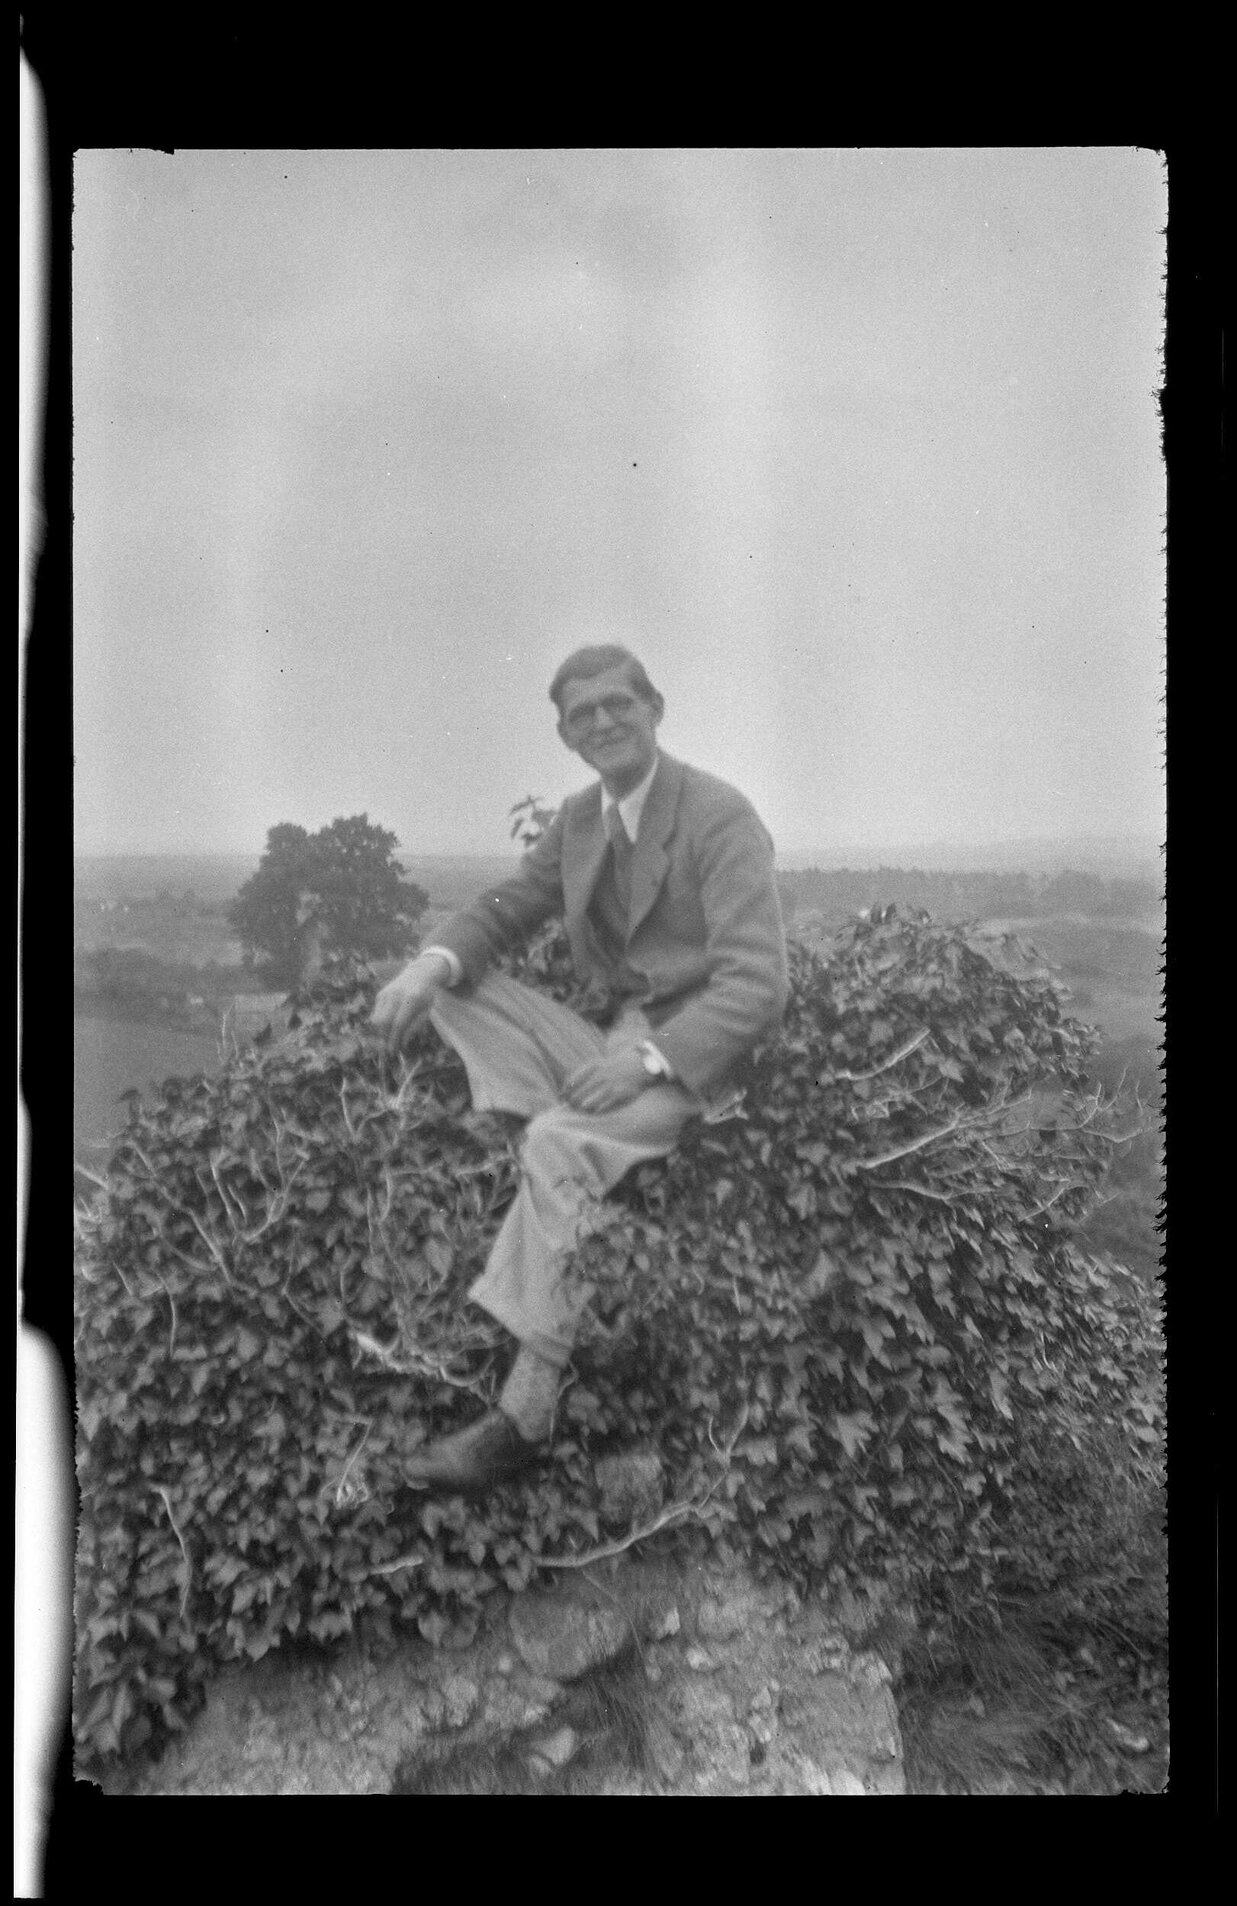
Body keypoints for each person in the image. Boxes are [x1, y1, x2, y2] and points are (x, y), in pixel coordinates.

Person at [370, 643, 789, 1491]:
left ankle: (524, 1410)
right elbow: (508, 907)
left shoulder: (717, 814)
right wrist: (428, 964)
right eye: (581, 714)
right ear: (565, 735)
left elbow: (758, 983)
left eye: (616, 705)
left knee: (558, 1145)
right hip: (612, 1038)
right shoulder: (581, 817)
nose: (602, 722)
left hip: (691, 1052)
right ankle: (569, 1130)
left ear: (655, 708)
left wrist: (647, 1060)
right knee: (455, 989)